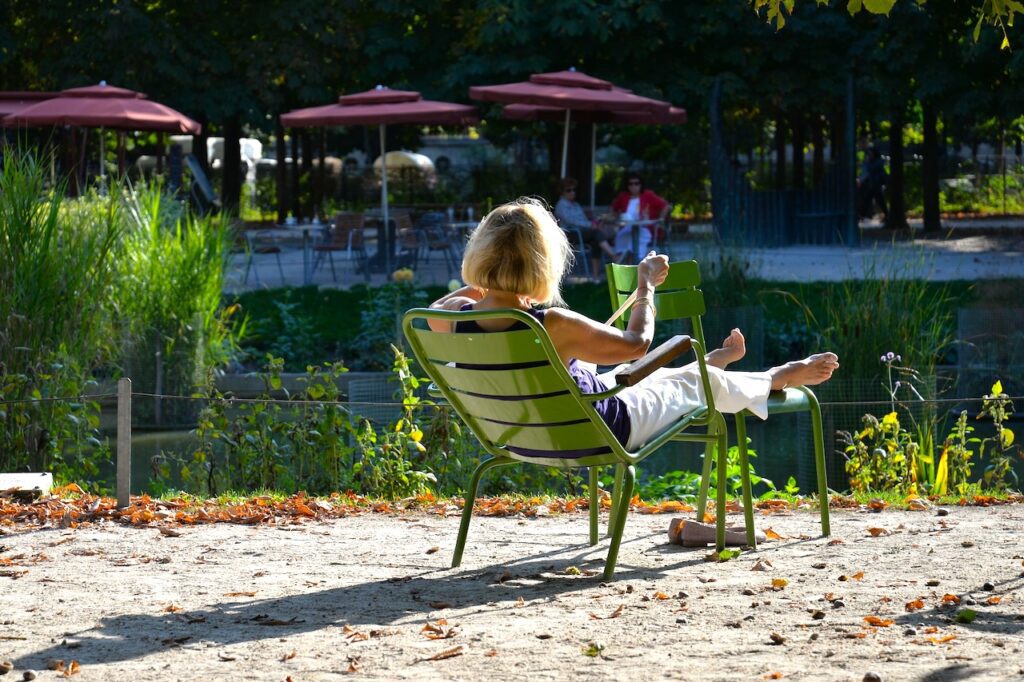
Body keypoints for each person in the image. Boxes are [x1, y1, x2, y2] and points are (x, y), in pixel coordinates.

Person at [429, 198, 839, 456]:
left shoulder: (452, 317)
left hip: (516, 438)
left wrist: (486, 281)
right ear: (544, 263)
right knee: (692, 385)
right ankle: (772, 378)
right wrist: (645, 287)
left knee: (629, 378)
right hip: (595, 432)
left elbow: (437, 307)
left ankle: (704, 366)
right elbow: (637, 345)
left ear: (479, 256)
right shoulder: (552, 324)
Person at [554, 177, 617, 279]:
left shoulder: (576, 205)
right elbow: (572, 221)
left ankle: (595, 276)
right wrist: (590, 225)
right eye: (568, 190)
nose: (572, 192)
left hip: (582, 232)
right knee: (596, 233)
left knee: (596, 240)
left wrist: (592, 223)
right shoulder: (561, 206)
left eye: (574, 190)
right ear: (562, 192)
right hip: (570, 234)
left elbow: (583, 220)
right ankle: (613, 255)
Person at [609, 173, 670, 263]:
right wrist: (617, 217)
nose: (633, 186)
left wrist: (661, 219)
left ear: (641, 185)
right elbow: (613, 208)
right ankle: (625, 265)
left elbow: (665, 206)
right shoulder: (623, 196)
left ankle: (631, 266)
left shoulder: (648, 195)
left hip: (644, 228)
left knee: (633, 243)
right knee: (623, 238)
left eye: (636, 183)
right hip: (626, 228)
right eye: (630, 184)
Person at [857, 147, 888, 220]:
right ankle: (862, 215)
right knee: (869, 200)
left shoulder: (877, 162)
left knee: (877, 200)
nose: (869, 155)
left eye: (870, 153)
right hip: (873, 184)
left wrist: (867, 162)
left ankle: (862, 215)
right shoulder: (872, 161)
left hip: (876, 184)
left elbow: (870, 169)